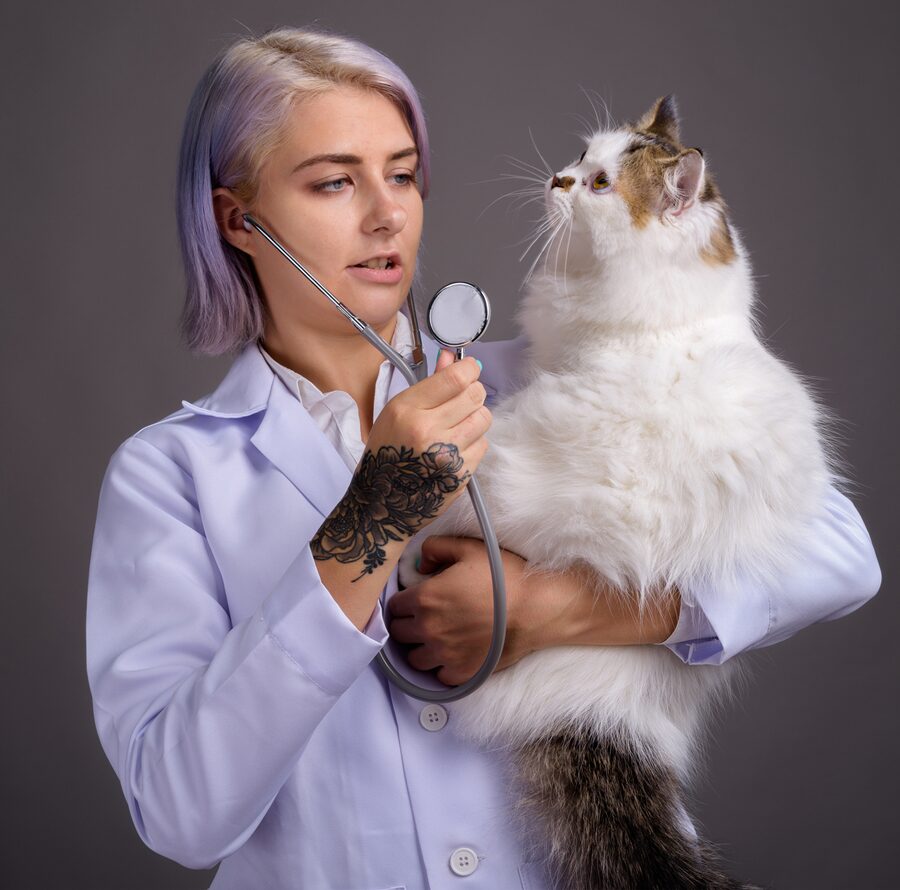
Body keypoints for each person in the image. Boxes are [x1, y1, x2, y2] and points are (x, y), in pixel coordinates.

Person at [85, 24, 882, 890]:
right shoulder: (169, 476)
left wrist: (556, 605)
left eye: (400, 174)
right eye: (333, 182)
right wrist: (373, 514)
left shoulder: (549, 374)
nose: (387, 213)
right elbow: (179, 812)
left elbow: (838, 550)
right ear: (239, 220)